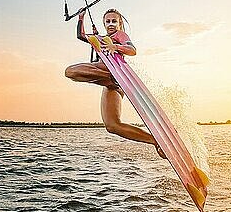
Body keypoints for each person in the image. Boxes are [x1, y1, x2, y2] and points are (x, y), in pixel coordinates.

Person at [65, 8, 166, 158]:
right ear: (104, 23)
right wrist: (81, 17)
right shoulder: (101, 38)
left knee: (70, 72)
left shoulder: (120, 35)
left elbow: (132, 50)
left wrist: (115, 46)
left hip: (116, 75)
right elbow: (81, 35)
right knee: (112, 126)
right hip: (110, 83)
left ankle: (113, 78)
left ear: (119, 23)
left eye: (114, 21)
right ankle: (156, 141)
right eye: (108, 21)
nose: (111, 24)